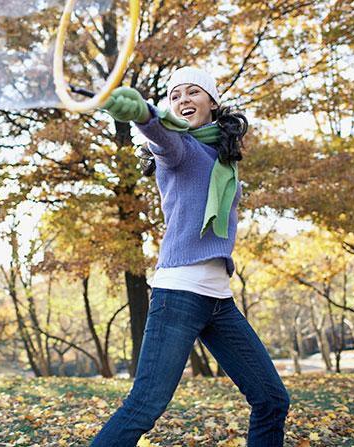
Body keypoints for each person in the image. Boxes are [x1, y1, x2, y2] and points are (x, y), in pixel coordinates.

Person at [90, 67, 290, 447]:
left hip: (219, 300)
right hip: (179, 294)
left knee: (272, 399)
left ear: (212, 102)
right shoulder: (181, 151)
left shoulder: (223, 158)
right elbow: (162, 138)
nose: (183, 99)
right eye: (176, 94)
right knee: (144, 406)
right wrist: (144, 113)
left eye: (193, 92)